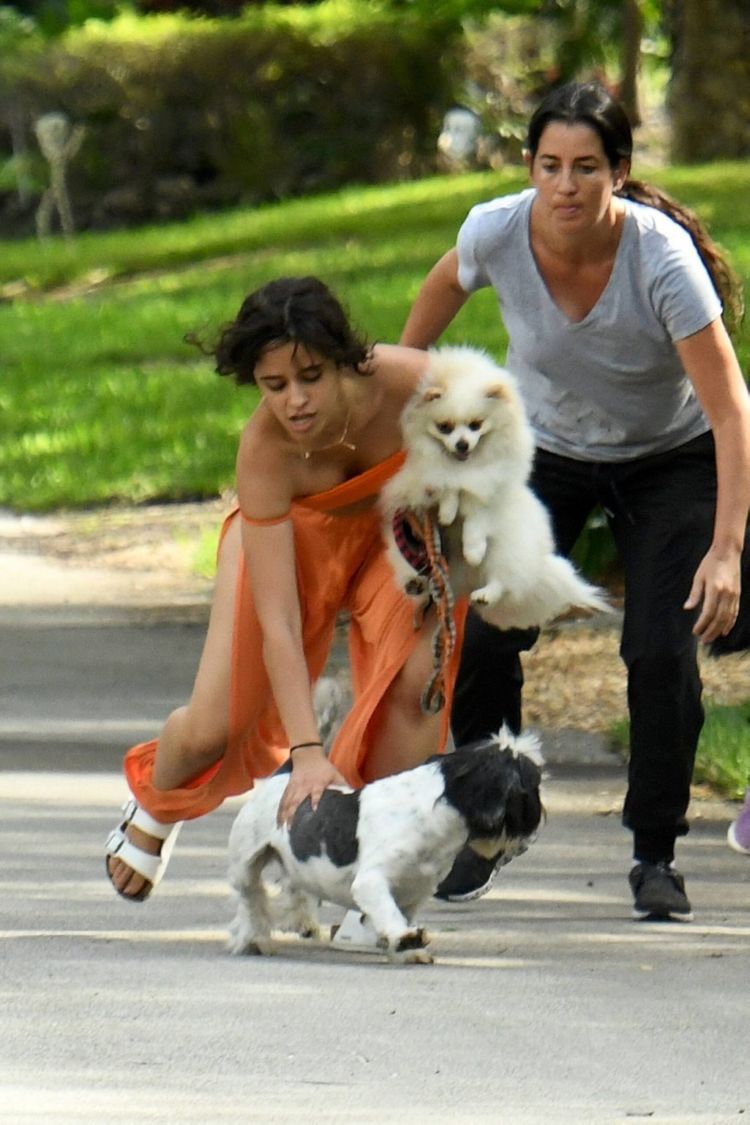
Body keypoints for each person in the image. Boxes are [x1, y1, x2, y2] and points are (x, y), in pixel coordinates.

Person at [400, 80, 750, 920]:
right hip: (545, 448)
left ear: (619, 174)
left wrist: (728, 548)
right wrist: (398, 402)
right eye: (550, 165)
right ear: (530, 167)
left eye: (586, 168)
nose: (566, 185)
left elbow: (730, 407)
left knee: (660, 651)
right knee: (481, 629)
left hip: (669, 458)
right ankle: (492, 824)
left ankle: (654, 851)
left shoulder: (661, 260)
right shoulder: (496, 230)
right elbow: (431, 310)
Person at [105, 275, 466, 907]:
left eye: (311, 378)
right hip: (294, 546)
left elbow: (497, 459)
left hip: (396, 536)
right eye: (275, 387)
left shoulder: (419, 384)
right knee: (217, 727)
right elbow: (278, 620)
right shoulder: (265, 451)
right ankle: (157, 804)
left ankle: (386, 876)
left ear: (345, 361)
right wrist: (306, 753)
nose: (295, 401)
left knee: (415, 681)